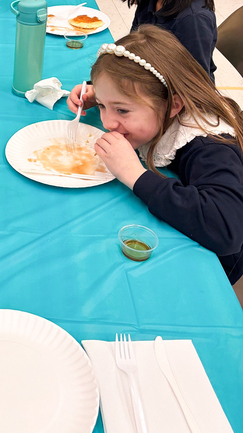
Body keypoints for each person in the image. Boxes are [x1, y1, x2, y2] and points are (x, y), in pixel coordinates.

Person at [84, 26, 243, 285]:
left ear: (173, 105)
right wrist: (98, 95)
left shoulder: (209, 146)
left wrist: (135, 175)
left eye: (122, 110)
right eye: (103, 106)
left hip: (213, 270)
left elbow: (227, 230)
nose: (107, 122)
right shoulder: (161, 103)